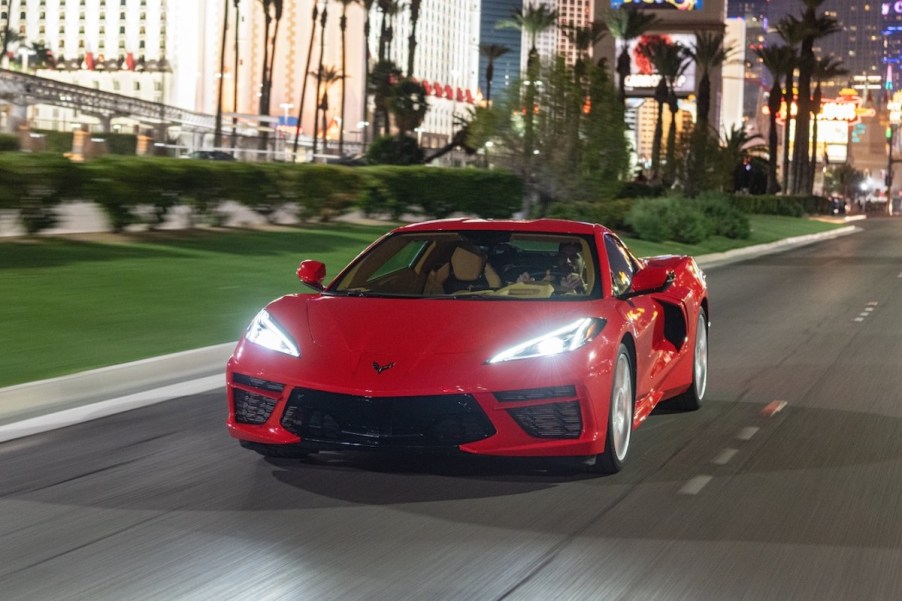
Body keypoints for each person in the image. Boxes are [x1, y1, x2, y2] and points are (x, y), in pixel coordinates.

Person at [516, 241, 587, 294]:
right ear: (557, 260)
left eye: (573, 257)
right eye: (563, 256)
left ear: (583, 263)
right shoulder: (535, 281)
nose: (568, 261)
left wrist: (581, 287)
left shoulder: (593, 286)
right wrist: (521, 287)